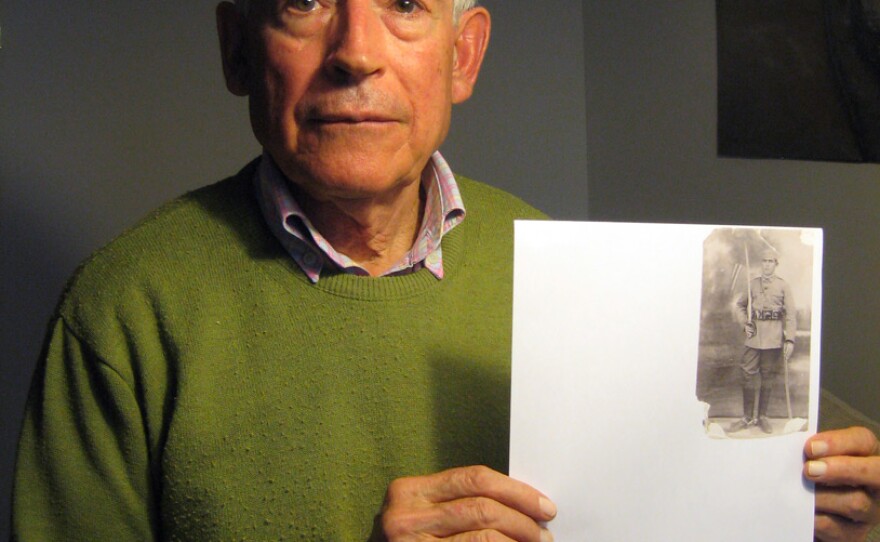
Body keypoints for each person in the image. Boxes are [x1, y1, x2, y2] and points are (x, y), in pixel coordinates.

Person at [10, 1, 880, 541]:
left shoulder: (564, 267)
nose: (355, 52)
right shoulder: (123, 307)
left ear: (462, 56)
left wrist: (817, 513)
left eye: (403, 4)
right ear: (237, 48)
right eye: (305, 2)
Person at [730, 248, 797, 434]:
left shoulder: (783, 286)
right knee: (747, 374)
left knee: (767, 376)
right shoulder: (752, 284)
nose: (767, 265)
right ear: (761, 263)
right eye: (764, 261)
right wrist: (745, 323)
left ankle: (763, 417)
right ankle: (747, 417)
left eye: (770, 261)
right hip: (754, 337)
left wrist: (790, 340)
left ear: (776, 264)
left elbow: (791, 315)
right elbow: (739, 305)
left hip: (773, 338)